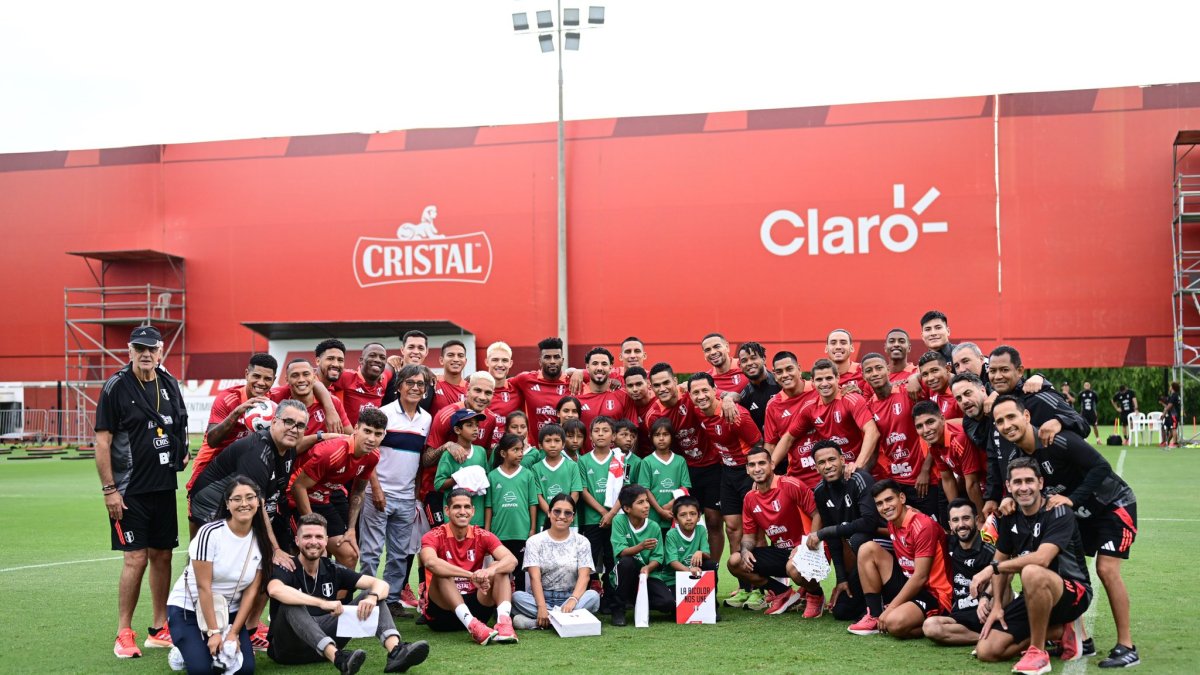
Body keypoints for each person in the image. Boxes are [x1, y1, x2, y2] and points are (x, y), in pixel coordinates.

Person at [993, 395, 1141, 668]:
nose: (1006, 424)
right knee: (1064, 566)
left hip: (1112, 506)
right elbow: (1018, 486)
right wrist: (1007, 498)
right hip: (1079, 513)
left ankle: (1127, 645)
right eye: (999, 421)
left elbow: (1101, 467)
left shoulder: (1056, 439)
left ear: (1026, 417)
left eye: (1011, 417)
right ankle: (1080, 638)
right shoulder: (1016, 456)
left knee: (1106, 570)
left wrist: (1072, 499)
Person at [95, 325, 190, 657]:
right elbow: (102, 441)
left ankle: (159, 627)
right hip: (128, 489)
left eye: (151, 348)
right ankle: (124, 631)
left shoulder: (169, 383)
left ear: (161, 351)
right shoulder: (116, 387)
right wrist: (109, 490)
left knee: (162, 555)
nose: (146, 353)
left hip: (163, 486)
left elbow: (179, 421)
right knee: (135, 558)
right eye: (139, 348)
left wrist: (183, 448)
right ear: (129, 350)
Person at [970, 458, 1094, 672]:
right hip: (1034, 596)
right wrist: (997, 604)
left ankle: (1038, 651)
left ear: (1040, 483)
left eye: (1029, 481)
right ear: (1008, 486)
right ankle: (1060, 633)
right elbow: (1000, 558)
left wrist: (992, 568)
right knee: (987, 651)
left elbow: (1042, 559)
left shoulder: (1059, 511)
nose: (1024, 487)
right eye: (1017, 482)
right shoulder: (1009, 516)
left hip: (1074, 594)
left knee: (1032, 571)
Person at [266, 512, 429, 674]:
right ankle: (339, 659)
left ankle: (396, 652)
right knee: (290, 604)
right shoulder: (286, 566)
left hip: (322, 645)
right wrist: (322, 603)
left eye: (318, 537)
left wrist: (372, 597)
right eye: (307, 536)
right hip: (289, 649)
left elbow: (380, 584)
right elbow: (275, 590)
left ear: (325, 540)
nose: (313, 542)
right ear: (297, 540)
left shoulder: (331, 567)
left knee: (372, 595)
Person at [166, 477, 270, 674]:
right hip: (189, 608)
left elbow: (251, 592)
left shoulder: (261, 539)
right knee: (203, 670)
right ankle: (185, 650)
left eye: (250, 497)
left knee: (244, 670)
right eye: (237, 499)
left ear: (259, 502)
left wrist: (233, 633)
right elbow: (203, 587)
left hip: (228, 612)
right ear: (227, 504)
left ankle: (200, 645)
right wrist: (214, 632)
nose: (244, 504)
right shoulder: (210, 533)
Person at [189, 398, 307, 565]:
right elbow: (257, 504)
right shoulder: (257, 453)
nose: (294, 429)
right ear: (273, 422)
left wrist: (322, 436)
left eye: (300, 426)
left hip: (245, 503)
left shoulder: (289, 448)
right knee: (233, 561)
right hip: (212, 504)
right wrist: (275, 550)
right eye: (288, 422)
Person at [360, 364, 430, 620]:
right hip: (378, 493)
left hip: (406, 497)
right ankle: (368, 597)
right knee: (371, 551)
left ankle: (390, 600)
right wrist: (375, 488)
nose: (415, 388)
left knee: (400, 553)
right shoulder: (383, 414)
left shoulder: (426, 419)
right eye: (410, 382)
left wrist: (416, 493)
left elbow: (421, 458)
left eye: (420, 384)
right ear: (399, 386)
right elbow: (369, 453)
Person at [848, 479, 952, 639]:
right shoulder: (893, 522)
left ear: (902, 498)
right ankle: (874, 615)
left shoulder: (923, 526)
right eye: (879, 503)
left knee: (894, 624)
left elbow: (920, 577)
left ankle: (936, 623)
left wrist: (891, 609)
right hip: (908, 582)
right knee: (867, 549)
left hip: (933, 592)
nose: (885, 507)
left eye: (889, 499)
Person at [646, 362, 726, 565]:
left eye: (666, 382)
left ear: (675, 381)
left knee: (714, 521)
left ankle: (712, 571)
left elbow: (723, 395)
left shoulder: (691, 395)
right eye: (657, 385)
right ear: (652, 387)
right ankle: (681, 572)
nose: (662, 388)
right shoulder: (654, 416)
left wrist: (730, 401)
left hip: (713, 466)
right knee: (684, 521)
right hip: (685, 471)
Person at [688, 372, 759, 598]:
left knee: (755, 528)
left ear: (714, 391)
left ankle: (764, 587)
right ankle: (744, 585)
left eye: (704, 391)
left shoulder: (734, 414)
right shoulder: (699, 411)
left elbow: (759, 444)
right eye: (695, 392)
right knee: (732, 528)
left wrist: (758, 477)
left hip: (746, 471)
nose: (700, 396)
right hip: (726, 473)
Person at [727, 447, 821, 615]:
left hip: (808, 549)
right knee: (735, 561)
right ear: (747, 469)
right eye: (752, 465)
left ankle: (815, 595)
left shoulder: (790, 485)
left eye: (762, 463)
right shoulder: (749, 498)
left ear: (771, 464)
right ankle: (782, 592)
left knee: (793, 567)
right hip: (781, 552)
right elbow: (748, 536)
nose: (757, 468)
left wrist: (806, 546)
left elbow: (818, 514)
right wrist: (745, 550)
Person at [419, 488, 519, 644]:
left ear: (473, 511)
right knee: (441, 570)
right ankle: (471, 625)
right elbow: (430, 562)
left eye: (466, 507)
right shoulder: (433, 535)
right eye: (457, 507)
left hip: (478, 607)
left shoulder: (483, 535)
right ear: (447, 510)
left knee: (499, 566)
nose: (462, 511)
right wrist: (471, 576)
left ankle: (504, 623)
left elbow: (511, 560)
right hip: (443, 613)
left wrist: (488, 571)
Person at [186, 353, 279, 520]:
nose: (261, 383)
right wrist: (236, 413)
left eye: (267, 379)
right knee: (201, 524)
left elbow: (304, 384)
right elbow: (212, 440)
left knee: (244, 525)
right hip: (210, 472)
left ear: (274, 380)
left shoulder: (273, 402)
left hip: (243, 470)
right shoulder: (227, 399)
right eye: (256, 376)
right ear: (246, 374)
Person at [289, 408, 385, 568]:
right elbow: (297, 487)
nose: (371, 439)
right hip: (295, 499)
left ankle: (334, 594)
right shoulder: (332, 451)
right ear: (356, 428)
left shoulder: (373, 456)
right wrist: (313, 528)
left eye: (377, 434)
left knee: (350, 555)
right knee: (318, 556)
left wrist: (352, 529)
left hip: (324, 498)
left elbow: (359, 491)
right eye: (367, 431)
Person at [803, 440, 883, 621]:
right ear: (816, 468)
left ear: (842, 460)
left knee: (857, 539)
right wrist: (841, 579)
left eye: (832, 459)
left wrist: (824, 532)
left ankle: (880, 602)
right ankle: (866, 599)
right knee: (841, 612)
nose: (828, 466)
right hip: (856, 556)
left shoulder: (859, 479)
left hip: (882, 547)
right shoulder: (820, 492)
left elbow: (870, 523)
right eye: (821, 463)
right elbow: (833, 541)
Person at [771, 358, 880, 488]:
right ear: (812, 382)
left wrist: (857, 465)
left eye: (829, 378)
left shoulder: (851, 398)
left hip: (860, 469)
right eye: (819, 380)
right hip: (833, 473)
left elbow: (872, 432)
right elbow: (788, 438)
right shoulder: (810, 408)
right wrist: (770, 467)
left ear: (838, 378)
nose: (824, 384)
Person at [512, 494, 602, 630]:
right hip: (540, 598)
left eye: (567, 513)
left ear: (573, 517)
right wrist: (541, 607)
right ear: (549, 513)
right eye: (557, 511)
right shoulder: (534, 541)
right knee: (516, 597)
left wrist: (573, 600)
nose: (562, 516)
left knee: (593, 596)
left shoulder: (582, 542)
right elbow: (534, 577)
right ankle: (566, 620)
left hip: (571, 597)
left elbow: (584, 576)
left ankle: (539, 623)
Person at [861, 352, 934, 517]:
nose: (875, 373)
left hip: (924, 480)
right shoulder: (869, 407)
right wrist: (858, 474)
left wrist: (925, 469)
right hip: (897, 483)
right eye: (869, 370)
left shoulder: (908, 391)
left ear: (887, 370)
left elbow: (933, 433)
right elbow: (873, 451)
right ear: (864, 375)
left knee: (935, 528)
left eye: (879, 368)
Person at [922, 498, 998, 647]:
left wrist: (986, 596)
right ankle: (985, 638)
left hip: (986, 611)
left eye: (966, 518)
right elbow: (927, 527)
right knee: (930, 627)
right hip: (960, 614)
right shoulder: (948, 544)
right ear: (950, 525)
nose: (961, 525)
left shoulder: (989, 549)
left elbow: (1004, 575)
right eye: (955, 520)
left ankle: (995, 632)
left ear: (976, 520)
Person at [608, 485, 675, 626]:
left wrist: (648, 568)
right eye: (640, 502)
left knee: (667, 603)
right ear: (627, 508)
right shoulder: (619, 521)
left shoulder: (654, 526)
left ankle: (637, 601)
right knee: (627, 563)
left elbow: (658, 557)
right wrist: (641, 547)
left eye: (646, 501)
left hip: (649, 575)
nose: (646, 506)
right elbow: (621, 552)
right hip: (627, 574)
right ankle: (618, 610)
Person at [577, 416, 625, 601]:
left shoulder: (620, 459)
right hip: (592, 519)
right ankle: (587, 598)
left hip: (617, 519)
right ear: (590, 436)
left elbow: (624, 490)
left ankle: (613, 600)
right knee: (589, 560)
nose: (601, 434)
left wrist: (612, 513)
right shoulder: (583, 461)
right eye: (597, 431)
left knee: (612, 559)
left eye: (605, 430)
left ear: (613, 436)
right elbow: (583, 490)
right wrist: (603, 512)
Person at [485, 433, 540, 591]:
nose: (520, 453)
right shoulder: (493, 476)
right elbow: (489, 506)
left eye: (521, 450)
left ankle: (519, 605)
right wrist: (488, 532)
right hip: (499, 534)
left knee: (521, 572)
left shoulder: (527, 474)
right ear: (503, 453)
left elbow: (532, 503)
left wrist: (531, 529)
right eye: (515, 450)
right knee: (500, 571)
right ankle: (499, 605)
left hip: (521, 533)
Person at [913, 400, 986, 516]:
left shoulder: (958, 438)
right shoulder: (933, 442)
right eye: (919, 426)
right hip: (976, 484)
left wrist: (981, 517)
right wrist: (955, 514)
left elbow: (972, 482)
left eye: (930, 422)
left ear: (942, 419)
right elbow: (947, 479)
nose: (926, 430)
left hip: (991, 483)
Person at [269, 359, 352, 455]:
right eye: (295, 375)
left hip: (322, 467)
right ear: (287, 379)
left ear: (314, 376)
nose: (301, 380)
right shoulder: (275, 401)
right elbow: (282, 448)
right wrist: (320, 437)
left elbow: (350, 438)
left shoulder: (332, 403)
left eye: (306, 374)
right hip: (289, 468)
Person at [433, 408, 492, 525]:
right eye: (469, 425)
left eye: (477, 425)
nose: (475, 429)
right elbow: (438, 484)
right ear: (457, 429)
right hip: (454, 520)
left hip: (477, 518)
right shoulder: (448, 455)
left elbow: (486, 483)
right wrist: (459, 477)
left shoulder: (481, 452)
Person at [763, 351, 817, 475]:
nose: (785, 375)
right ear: (775, 375)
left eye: (789, 369)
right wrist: (766, 473)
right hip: (798, 475)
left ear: (799, 369)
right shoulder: (773, 405)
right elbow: (770, 446)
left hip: (828, 471)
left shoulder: (818, 389)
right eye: (779, 372)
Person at [508, 337, 571, 441]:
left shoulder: (572, 382)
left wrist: (580, 372)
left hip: (563, 450)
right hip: (535, 450)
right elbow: (499, 383)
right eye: (547, 357)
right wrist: (473, 378)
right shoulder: (526, 379)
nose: (552, 361)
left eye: (556, 357)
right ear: (540, 361)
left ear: (562, 360)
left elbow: (602, 378)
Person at [635, 417, 691, 533]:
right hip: (653, 517)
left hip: (675, 515)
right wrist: (660, 510)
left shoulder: (680, 461)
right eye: (657, 435)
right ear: (651, 437)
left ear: (672, 436)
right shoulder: (647, 461)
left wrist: (670, 505)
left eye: (665, 434)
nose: (661, 438)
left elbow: (685, 487)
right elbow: (645, 489)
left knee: (673, 549)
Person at [664, 496, 718, 597]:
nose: (689, 518)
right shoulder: (671, 534)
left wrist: (700, 552)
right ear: (675, 519)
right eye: (683, 515)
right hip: (674, 578)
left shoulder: (701, 530)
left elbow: (707, 554)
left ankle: (713, 606)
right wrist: (689, 571)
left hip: (695, 573)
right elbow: (673, 562)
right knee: (672, 607)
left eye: (693, 514)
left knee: (711, 565)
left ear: (699, 517)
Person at [530, 424, 581, 529]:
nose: (553, 445)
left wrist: (565, 512)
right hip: (545, 520)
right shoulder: (536, 468)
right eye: (548, 441)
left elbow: (575, 493)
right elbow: (538, 497)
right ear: (540, 445)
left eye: (557, 441)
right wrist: (552, 514)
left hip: (568, 519)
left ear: (563, 444)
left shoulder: (572, 466)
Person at [335, 342, 394, 426]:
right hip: (347, 437)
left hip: (372, 437)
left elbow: (390, 368)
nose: (378, 360)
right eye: (372, 355)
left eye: (382, 357)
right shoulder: (346, 377)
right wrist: (330, 408)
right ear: (361, 360)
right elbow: (314, 379)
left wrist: (394, 359)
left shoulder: (383, 379)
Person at [733, 341, 781, 432]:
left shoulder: (781, 384)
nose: (749, 363)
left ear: (764, 359)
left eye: (753, 358)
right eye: (744, 361)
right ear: (740, 366)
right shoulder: (744, 398)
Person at [484, 342, 524, 447]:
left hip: (508, 453)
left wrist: (573, 372)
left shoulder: (518, 388)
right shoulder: (475, 390)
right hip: (483, 452)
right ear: (487, 362)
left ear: (510, 363)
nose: (500, 364)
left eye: (504, 360)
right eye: (495, 360)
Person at [431, 339, 469, 414]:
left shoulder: (470, 389)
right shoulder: (432, 383)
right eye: (450, 355)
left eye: (460, 356)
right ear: (441, 360)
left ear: (465, 361)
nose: (456, 359)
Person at [826, 328, 867, 394]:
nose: (838, 347)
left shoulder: (864, 371)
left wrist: (860, 396)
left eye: (843, 343)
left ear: (852, 348)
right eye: (833, 343)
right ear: (826, 348)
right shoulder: (820, 376)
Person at [1163, 382, 1181, 448]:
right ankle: (1167, 442)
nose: (1169, 387)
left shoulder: (1174, 395)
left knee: (1174, 429)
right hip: (1175, 414)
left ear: (1172, 387)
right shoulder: (1177, 395)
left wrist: (1164, 413)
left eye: (1170, 386)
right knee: (1173, 429)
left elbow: (1170, 405)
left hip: (1174, 415)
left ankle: (1175, 443)